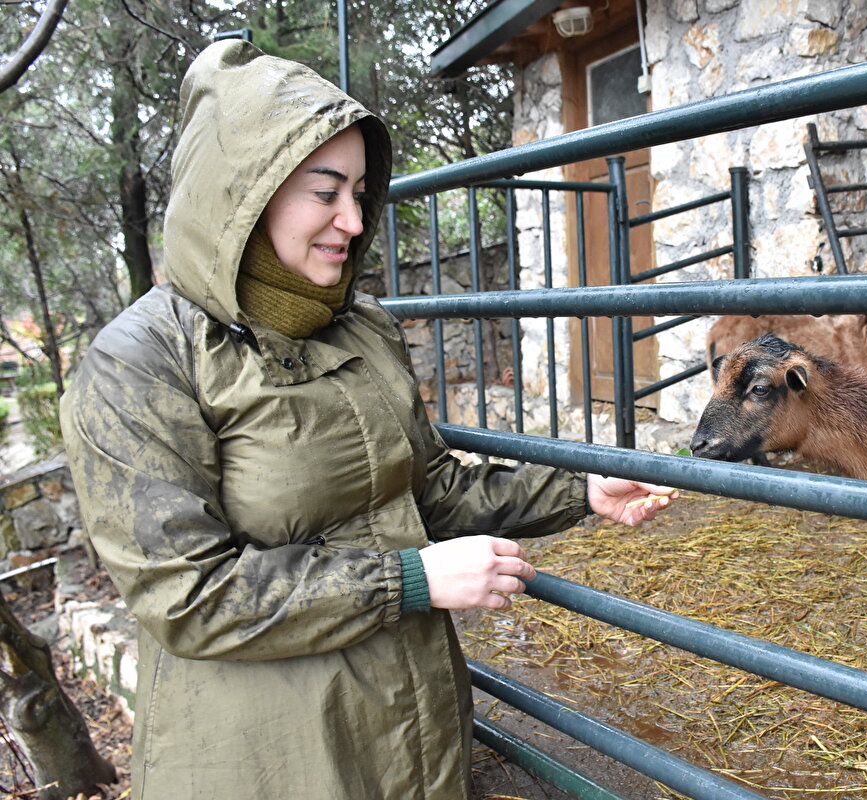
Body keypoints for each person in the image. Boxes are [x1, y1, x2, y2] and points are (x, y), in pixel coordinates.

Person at [61, 40, 676, 800]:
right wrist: (410, 578)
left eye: (359, 190)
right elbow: (188, 598)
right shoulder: (141, 362)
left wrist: (577, 492)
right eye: (325, 192)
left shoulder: (362, 325)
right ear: (242, 195)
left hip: (413, 729)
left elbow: (430, 492)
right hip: (269, 759)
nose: (353, 220)